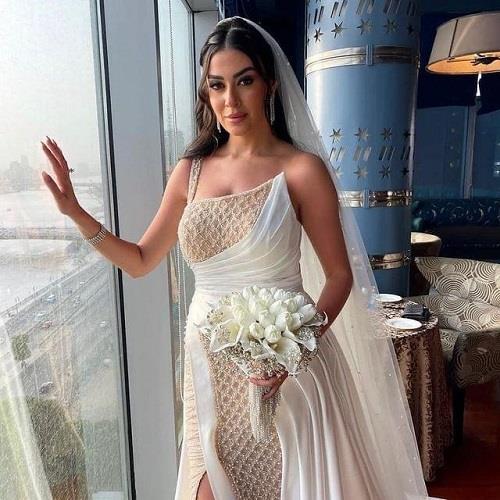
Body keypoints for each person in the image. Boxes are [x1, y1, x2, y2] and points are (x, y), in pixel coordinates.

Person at [42, 16, 436, 500]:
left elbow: (338, 275)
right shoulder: (190, 171)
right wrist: (76, 213)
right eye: (217, 85)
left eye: (244, 81)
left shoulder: (301, 170)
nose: (230, 100)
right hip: (208, 364)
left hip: (288, 365)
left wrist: (296, 347)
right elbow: (141, 260)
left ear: (269, 84)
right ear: (206, 93)